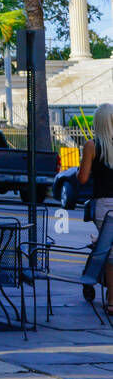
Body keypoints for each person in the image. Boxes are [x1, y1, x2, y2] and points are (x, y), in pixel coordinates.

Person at [77, 102, 113, 314]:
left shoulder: (92, 146)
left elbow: (82, 179)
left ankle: (111, 301)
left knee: (108, 252)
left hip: (104, 206)